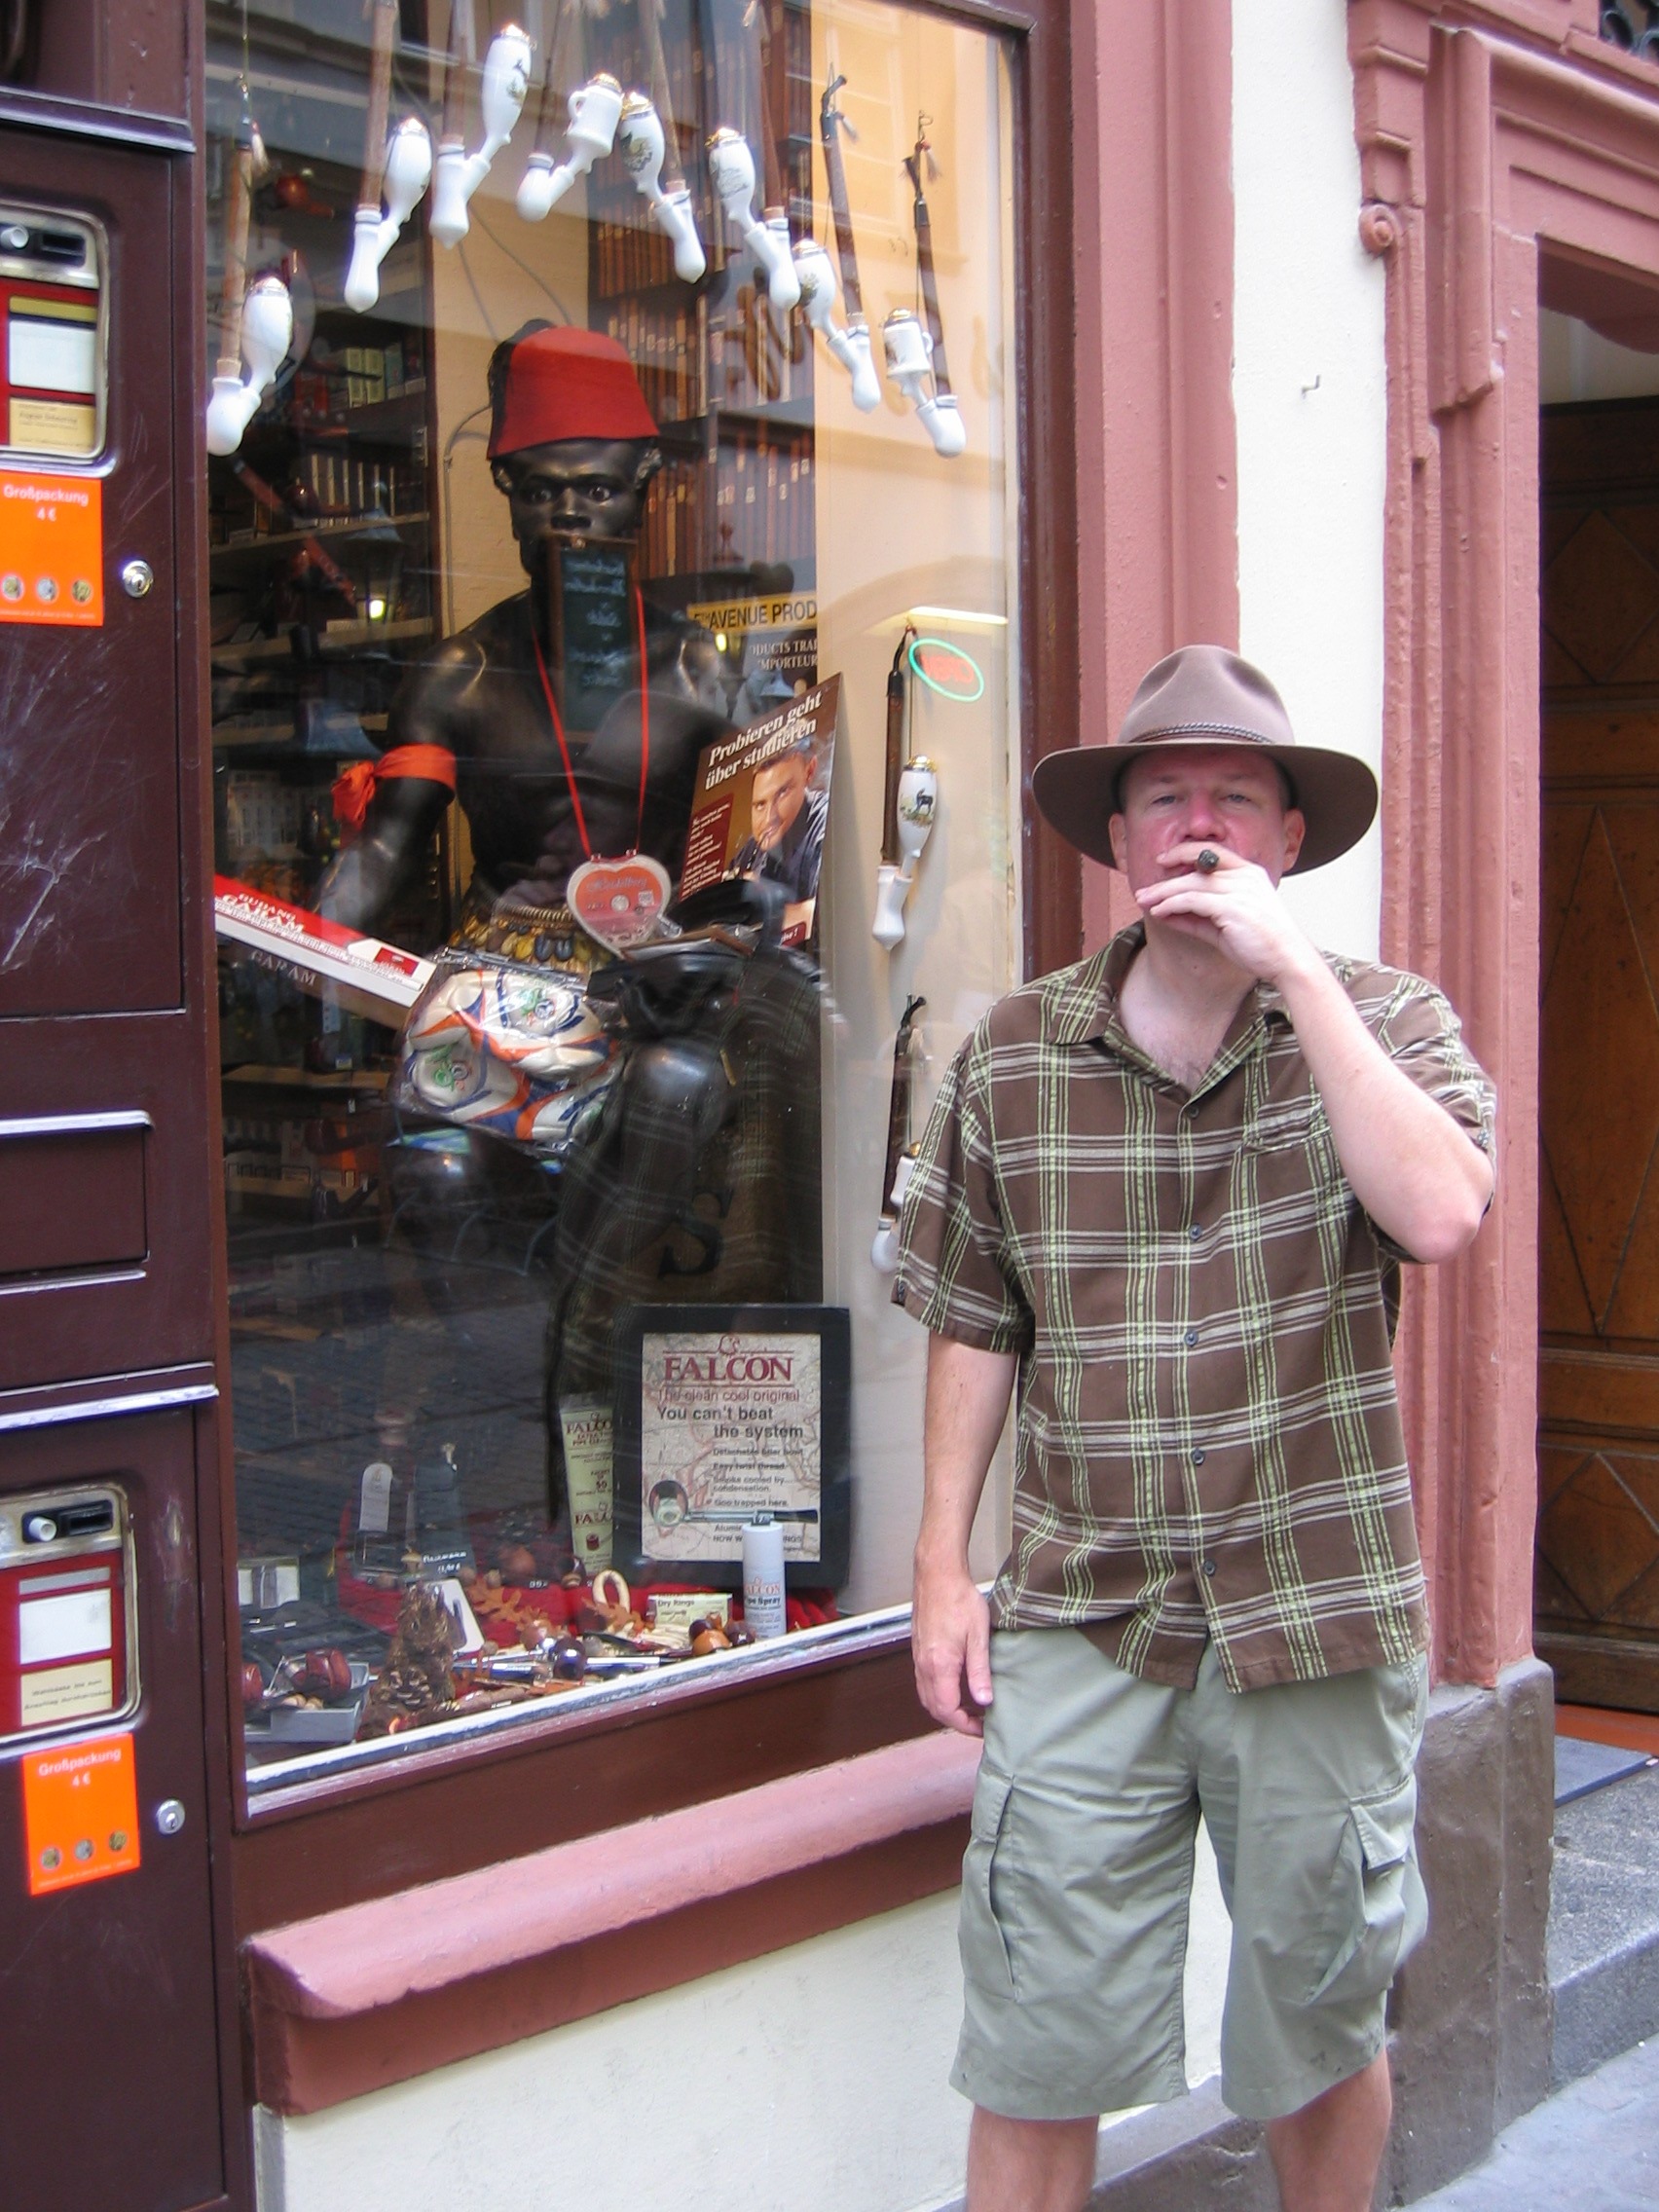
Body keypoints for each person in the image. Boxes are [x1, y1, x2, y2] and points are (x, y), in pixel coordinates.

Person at [894, 645, 1495, 2212]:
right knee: (1036, 2041)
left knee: (1320, 2030)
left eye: (1238, 797)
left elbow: (1440, 1214)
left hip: (1315, 1616)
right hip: (1082, 1617)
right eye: (1167, 796)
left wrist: (1300, 980)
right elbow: (972, 1320)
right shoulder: (1015, 1051)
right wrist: (943, 1570)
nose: (1202, 824)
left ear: (1291, 838)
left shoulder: (1386, 1020)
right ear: (1117, 840)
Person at [321, 321, 723, 969]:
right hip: (498, 974)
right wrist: (309, 942)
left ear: (640, 491)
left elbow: (758, 843)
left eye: (598, 489)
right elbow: (387, 848)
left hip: (657, 974)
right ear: (510, 495)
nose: (569, 512)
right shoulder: (460, 676)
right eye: (541, 491)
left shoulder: (695, 666)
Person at [726, 742, 828, 904]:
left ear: (809, 772)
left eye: (782, 793)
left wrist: (764, 906)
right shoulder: (750, 850)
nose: (769, 819)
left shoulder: (825, 820)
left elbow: (822, 908)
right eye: (760, 805)